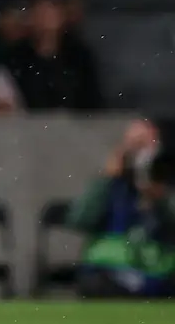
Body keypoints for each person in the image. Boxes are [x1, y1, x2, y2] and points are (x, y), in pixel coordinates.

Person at [67, 119, 175, 298]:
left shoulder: (167, 184)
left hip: (159, 271)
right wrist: (107, 178)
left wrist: (159, 195)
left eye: (145, 146)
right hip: (110, 270)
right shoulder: (110, 185)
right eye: (135, 146)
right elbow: (78, 220)